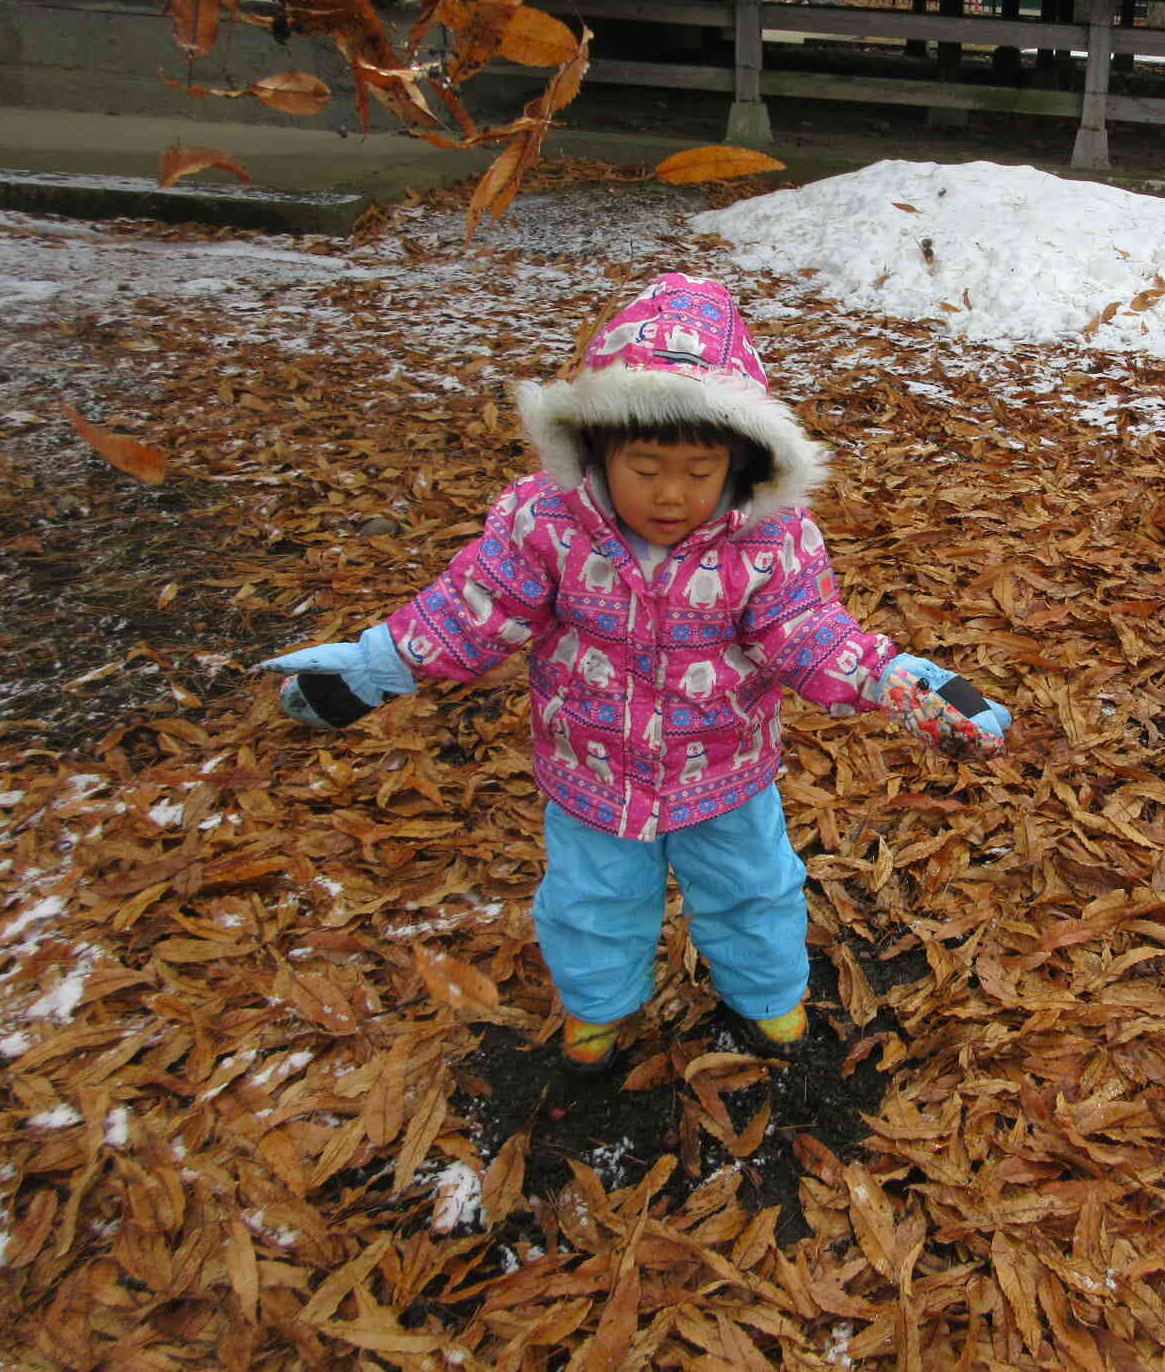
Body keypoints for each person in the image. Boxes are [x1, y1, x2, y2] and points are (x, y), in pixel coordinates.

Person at [259, 273, 1010, 1069]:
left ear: (741, 461)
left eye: (698, 469)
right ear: (597, 447)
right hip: (590, 765)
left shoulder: (765, 541)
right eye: (645, 467)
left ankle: (767, 996)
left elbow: (810, 633)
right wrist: (372, 670)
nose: (671, 494)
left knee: (753, 888)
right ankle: (598, 1006)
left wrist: (901, 684)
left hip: (726, 766)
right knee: (592, 900)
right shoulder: (548, 525)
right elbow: (474, 607)